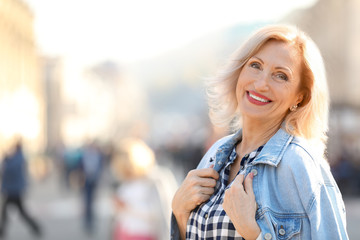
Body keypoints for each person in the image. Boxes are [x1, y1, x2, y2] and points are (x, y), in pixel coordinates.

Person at [171, 24, 349, 239]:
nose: (261, 84)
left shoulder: (300, 165)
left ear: (299, 97)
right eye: (255, 65)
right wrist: (180, 214)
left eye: (281, 76)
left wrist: (254, 233)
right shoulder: (215, 154)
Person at [111, 138, 178, 240]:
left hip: (143, 233)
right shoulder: (125, 182)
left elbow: (159, 211)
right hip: (125, 231)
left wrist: (128, 207)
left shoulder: (153, 181)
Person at [0, 138, 42, 238]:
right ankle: (36, 228)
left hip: (14, 190)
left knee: (14, 212)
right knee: (16, 212)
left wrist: (6, 159)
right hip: (13, 190)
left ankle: (36, 228)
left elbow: (10, 171)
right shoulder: (17, 158)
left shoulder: (18, 158)